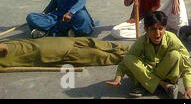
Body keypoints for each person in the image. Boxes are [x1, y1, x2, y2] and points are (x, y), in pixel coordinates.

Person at [106, 11, 191, 99]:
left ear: (165, 28)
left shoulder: (172, 39)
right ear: (146, 29)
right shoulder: (141, 41)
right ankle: (164, 86)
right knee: (128, 58)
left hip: (166, 74)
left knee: (176, 55)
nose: (157, 33)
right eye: (153, 29)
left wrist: (188, 88)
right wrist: (118, 78)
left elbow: (186, 65)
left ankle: (145, 85)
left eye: (160, 29)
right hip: (150, 69)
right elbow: (125, 62)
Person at [0, 37, 128, 68]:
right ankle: (130, 55)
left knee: (94, 44)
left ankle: (129, 51)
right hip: (52, 52)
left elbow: (3, 47)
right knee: (96, 54)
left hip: (50, 46)